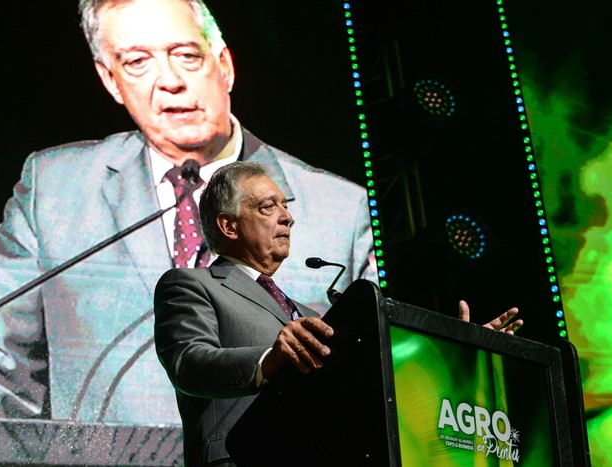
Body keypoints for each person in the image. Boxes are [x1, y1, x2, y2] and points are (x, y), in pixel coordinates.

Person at [0, 0, 374, 430]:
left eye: (185, 55)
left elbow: (378, 363)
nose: (170, 82)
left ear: (224, 65)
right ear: (111, 80)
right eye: (138, 61)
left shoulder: (340, 210)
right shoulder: (55, 188)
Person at [153, 161, 523, 466]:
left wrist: (457, 352)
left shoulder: (306, 312)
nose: (287, 218)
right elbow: (189, 362)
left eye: (286, 206)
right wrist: (270, 360)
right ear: (228, 224)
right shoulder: (190, 284)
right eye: (269, 207)